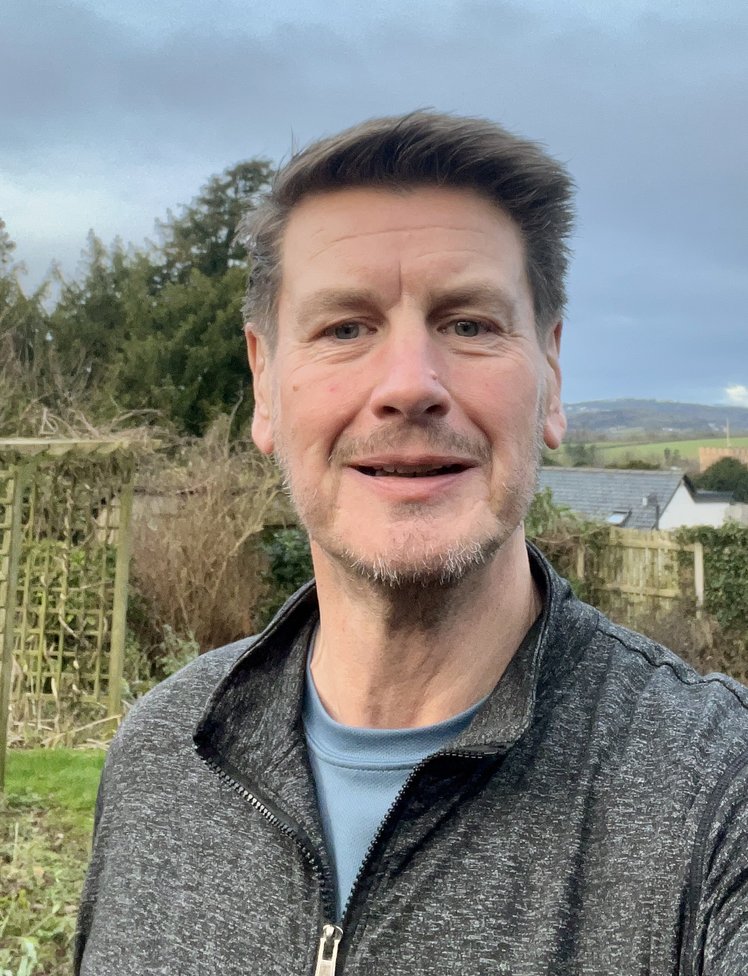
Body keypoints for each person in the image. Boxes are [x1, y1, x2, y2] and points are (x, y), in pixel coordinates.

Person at [75, 112, 748, 975]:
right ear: (264, 384)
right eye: (344, 328)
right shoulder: (161, 754)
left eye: (468, 324)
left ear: (551, 375)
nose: (409, 386)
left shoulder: (716, 792)